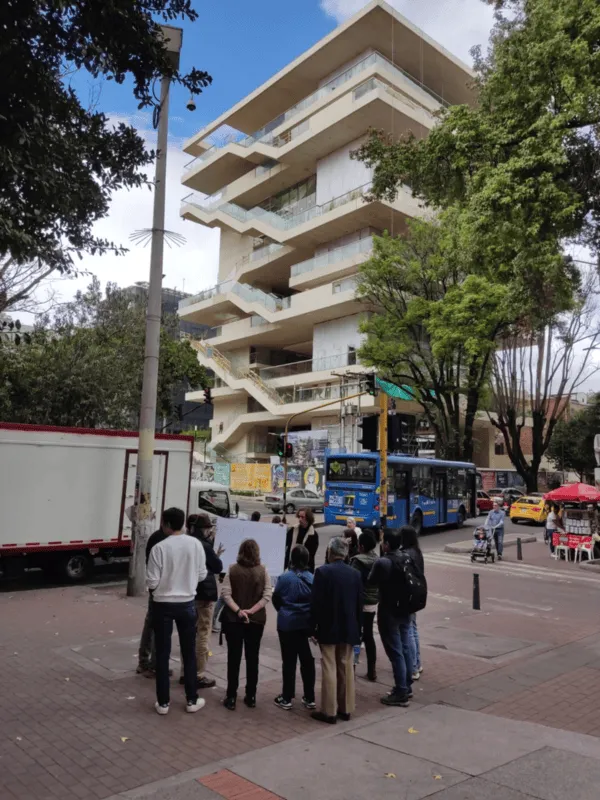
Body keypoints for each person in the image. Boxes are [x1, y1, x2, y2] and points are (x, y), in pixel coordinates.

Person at [146, 507, 207, 715]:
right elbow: (202, 574)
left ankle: (163, 703)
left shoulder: (159, 548)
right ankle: (192, 699)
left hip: (162, 604)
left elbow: (152, 581)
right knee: (188, 652)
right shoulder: (196, 545)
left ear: (167, 524)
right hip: (187, 603)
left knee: (162, 653)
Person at [310, 536, 363, 724]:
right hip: (349, 626)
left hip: (328, 626)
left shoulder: (322, 573)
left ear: (330, 552)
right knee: (346, 666)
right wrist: (359, 629)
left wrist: (312, 628)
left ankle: (329, 710)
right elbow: (359, 604)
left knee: (329, 666)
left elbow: (315, 604)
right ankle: (346, 708)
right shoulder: (355, 574)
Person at [221, 539, 272, 710]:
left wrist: (239, 611)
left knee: (233, 658)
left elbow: (226, 594)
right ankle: (251, 695)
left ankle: (231, 696)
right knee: (253, 657)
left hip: (234, 620)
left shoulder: (232, 570)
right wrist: (252, 610)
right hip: (256, 620)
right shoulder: (263, 570)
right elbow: (267, 595)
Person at [368, 529, 414, 707]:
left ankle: (401, 690)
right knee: (405, 647)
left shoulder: (383, 562)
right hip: (405, 608)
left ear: (386, 544)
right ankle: (406, 687)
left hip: (389, 610)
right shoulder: (405, 557)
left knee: (395, 652)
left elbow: (371, 581)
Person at [181, 513, 224, 689]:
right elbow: (217, 566)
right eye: (209, 528)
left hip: (188, 593)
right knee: (203, 633)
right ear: (204, 529)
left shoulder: (186, 542)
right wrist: (216, 554)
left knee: (189, 633)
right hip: (204, 593)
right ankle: (198, 674)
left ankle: (186, 672)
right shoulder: (204, 545)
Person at [272, 544, 316, 711]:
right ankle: (310, 696)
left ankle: (287, 696)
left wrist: (284, 611)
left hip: (287, 624)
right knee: (306, 659)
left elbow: (276, 598)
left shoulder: (285, 578)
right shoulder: (312, 578)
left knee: (289, 660)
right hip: (304, 624)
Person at [137, 512, 169, 676]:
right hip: (160, 589)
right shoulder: (160, 540)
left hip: (157, 588)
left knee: (152, 624)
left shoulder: (158, 537)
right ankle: (153, 663)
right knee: (157, 625)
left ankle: (145, 661)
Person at [350, 530, 379, 681]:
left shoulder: (357, 562)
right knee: (369, 636)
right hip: (373, 603)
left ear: (360, 546)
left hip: (359, 603)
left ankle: (352, 671)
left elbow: (353, 583)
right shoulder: (377, 559)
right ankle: (372, 670)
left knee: (356, 637)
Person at [401, 525, 424, 681]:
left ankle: (414, 667)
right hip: (417, 594)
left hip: (408, 596)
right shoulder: (417, 552)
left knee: (408, 630)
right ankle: (417, 663)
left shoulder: (407, 554)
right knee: (413, 628)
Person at [285, 508, 319, 573]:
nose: (300, 519)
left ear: (308, 518)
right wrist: (281, 528)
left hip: (306, 569)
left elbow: (311, 554)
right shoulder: (293, 529)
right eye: (299, 517)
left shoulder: (313, 535)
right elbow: (284, 541)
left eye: (302, 517)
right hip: (291, 566)